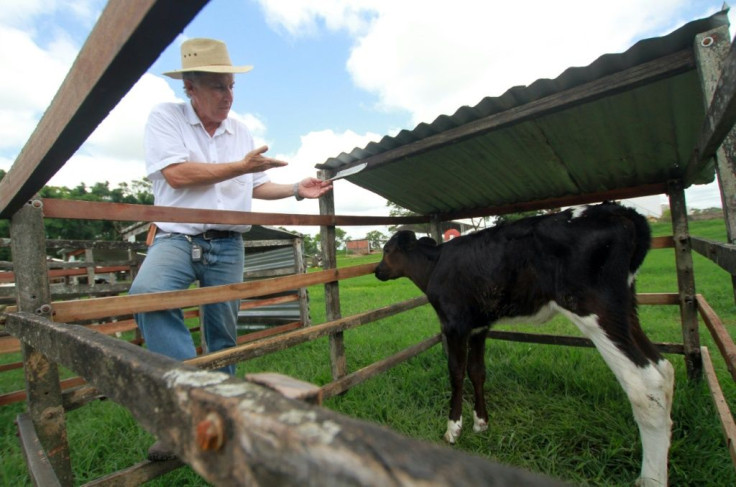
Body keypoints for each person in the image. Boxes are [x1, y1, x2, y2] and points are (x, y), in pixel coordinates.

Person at [128, 38, 332, 461]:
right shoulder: (165, 118)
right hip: (176, 236)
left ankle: (220, 418)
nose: (228, 95)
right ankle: (191, 410)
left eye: (231, 86)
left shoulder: (239, 129)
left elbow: (256, 185)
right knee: (149, 295)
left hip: (227, 242)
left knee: (223, 333)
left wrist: (296, 189)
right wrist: (241, 167)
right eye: (219, 86)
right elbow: (179, 175)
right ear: (190, 86)